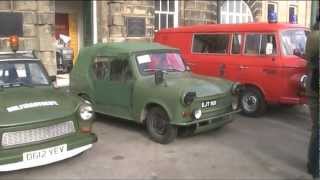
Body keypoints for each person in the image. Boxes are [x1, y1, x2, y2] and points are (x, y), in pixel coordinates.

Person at [306, 17, 319, 179]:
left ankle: (312, 164)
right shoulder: (316, 37)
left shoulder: (312, 35)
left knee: (316, 129)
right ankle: (316, 169)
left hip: (313, 84)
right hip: (317, 84)